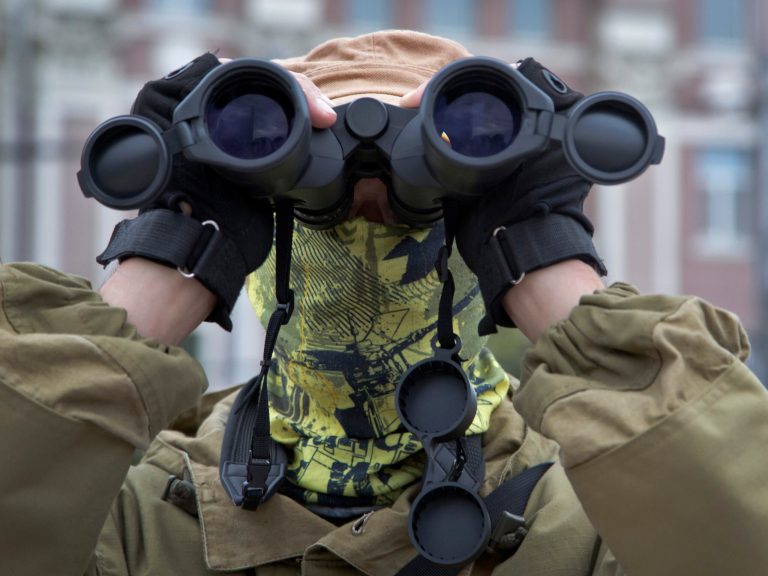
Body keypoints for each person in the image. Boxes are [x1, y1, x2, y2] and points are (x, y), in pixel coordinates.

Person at [1, 30, 767, 576]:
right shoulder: (123, 524)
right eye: (313, 200)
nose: (369, 218)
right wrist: (173, 247)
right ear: (252, 231)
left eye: (422, 203)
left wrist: (540, 252)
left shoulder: (604, 519)